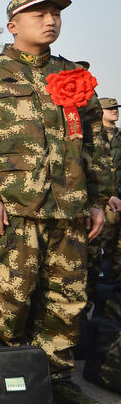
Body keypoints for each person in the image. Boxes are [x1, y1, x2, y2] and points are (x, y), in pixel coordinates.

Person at [0, 0, 115, 404]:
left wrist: (99, 200)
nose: (50, 21)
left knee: (66, 301)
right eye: (38, 14)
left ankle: (58, 380)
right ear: (12, 25)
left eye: (55, 14)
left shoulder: (74, 76)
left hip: (70, 208)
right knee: (7, 299)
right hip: (13, 209)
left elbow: (96, 144)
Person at [86, 97, 121, 297]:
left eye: (116, 108)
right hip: (101, 201)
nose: (115, 111)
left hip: (114, 200)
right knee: (100, 247)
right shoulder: (93, 135)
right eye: (110, 108)